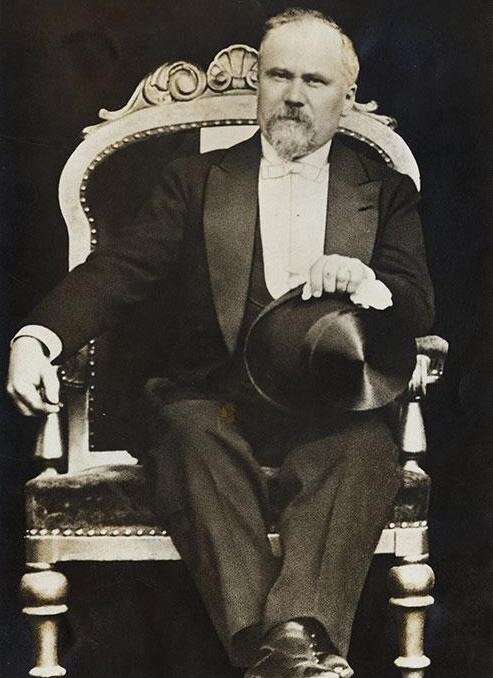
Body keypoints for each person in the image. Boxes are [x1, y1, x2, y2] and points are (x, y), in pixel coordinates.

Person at [7, 8, 434, 678]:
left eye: (315, 81)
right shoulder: (195, 181)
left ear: (345, 96)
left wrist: (367, 283)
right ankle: (292, 650)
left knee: (365, 449)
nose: (293, 95)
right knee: (186, 431)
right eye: (279, 75)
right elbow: (117, 272)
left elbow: (415, 302)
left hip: (331, 412)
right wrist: (38, 338)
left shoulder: (383, 192)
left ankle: (283, 646)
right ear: (259, 83)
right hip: (214, 405)